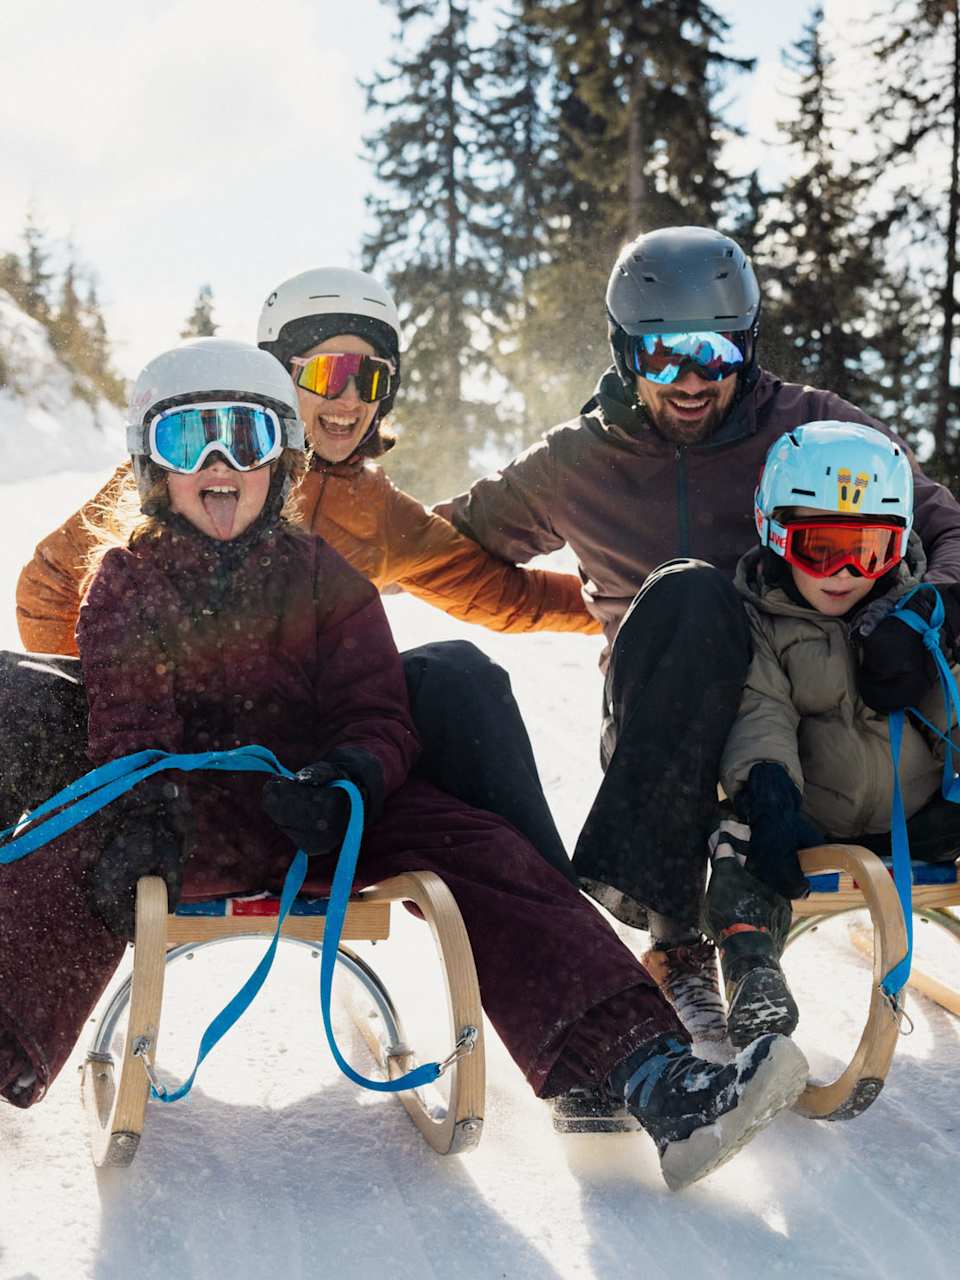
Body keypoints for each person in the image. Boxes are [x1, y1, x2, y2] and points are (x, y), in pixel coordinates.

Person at [0, 338, 809, 1191]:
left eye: (245, 437)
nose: (219, 463)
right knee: (61, 856)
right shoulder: (125, 582)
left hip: (320, 811)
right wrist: (145, 812)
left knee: (485, 852)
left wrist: (352, 777)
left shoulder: (322, 575)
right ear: (151, 467)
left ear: (281, 457)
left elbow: (377, 708)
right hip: (178, 816)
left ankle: (653, 1077)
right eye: (189, 440)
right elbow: (128, 721)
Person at [437, 225, 960, 1041]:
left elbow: (941, 526)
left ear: (747, 349)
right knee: (693, 595)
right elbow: (449, 548)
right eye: (661, 355)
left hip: (815, 715)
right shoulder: (574, 463)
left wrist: (931, 607)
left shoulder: (809, 428)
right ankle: (674, 936)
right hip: (665, 731)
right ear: (622, 352)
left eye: (714, 354)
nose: (689, 379)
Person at [8, 268, 598, 882]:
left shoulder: (380, 513)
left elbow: (502, 594)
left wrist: (621, 605)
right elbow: (45, 590)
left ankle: (548, 901)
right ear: (278, 377)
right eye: (325, 374)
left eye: (368, 378)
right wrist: (134, 686)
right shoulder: (188, 470)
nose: (348, 399)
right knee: (21, 693)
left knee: (457, 675)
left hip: (310, 757)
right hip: (169, 747)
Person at [710, 421, 960, 1045]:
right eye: (820, 549)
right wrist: (769, 793)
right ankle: (753, 969)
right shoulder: (761, 622)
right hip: (803, 822)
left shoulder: (911, 619)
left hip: (918, 822)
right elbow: (759, 709)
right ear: (775, 534)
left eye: (869, 551)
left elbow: (951, 706)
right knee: (732, 844)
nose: (846, 572)